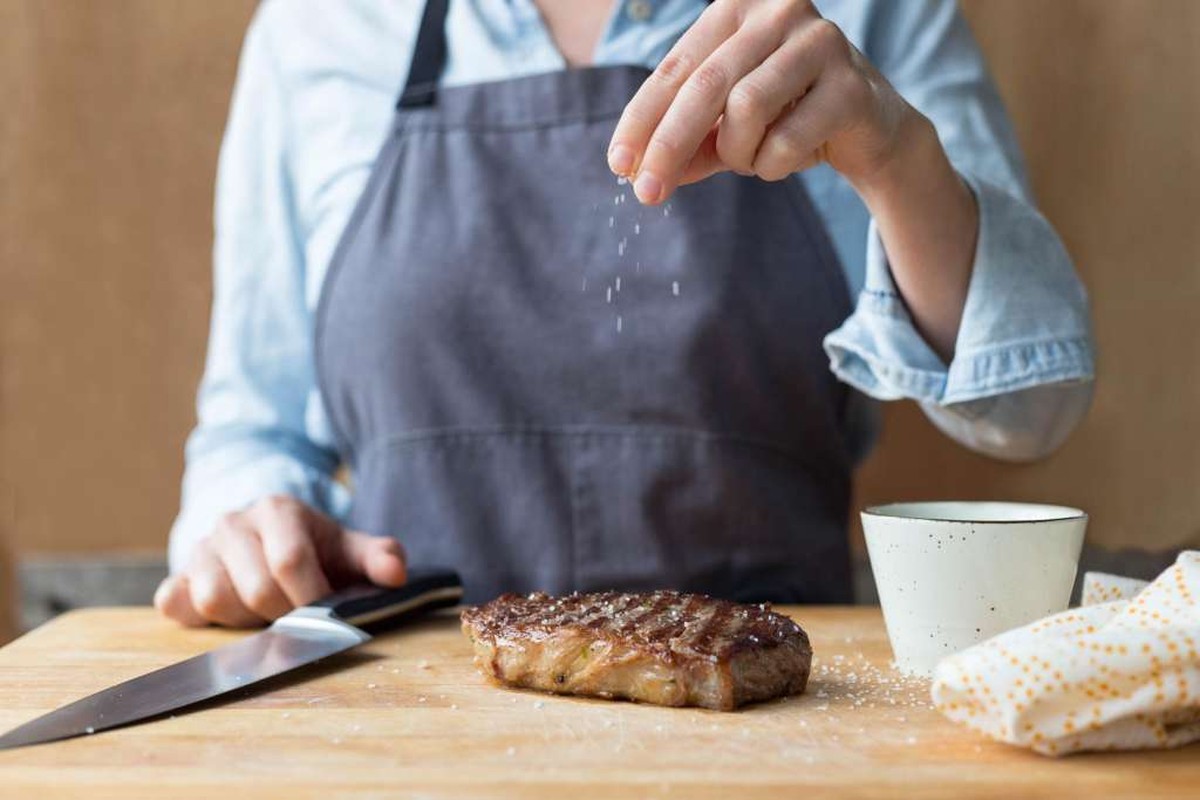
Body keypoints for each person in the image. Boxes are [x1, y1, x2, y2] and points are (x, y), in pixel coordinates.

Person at [155, 0, 1094, 628]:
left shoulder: (871, 11)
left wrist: (895, 154)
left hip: (773, 723)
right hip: (407, 726)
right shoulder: (319, 26)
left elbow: (1030, 407)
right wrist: (248, 531)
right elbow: (253, 428)